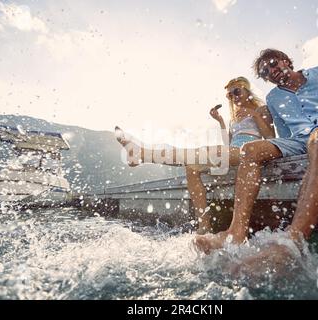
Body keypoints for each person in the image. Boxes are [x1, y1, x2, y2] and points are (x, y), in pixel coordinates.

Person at [194, 49, 318, 254]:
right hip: (300, 142)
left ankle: (293, 240)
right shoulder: (274, 98)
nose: (271, 71)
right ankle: (235, 234)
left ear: (287, 61)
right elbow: (283, 137)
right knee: (249, 150)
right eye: (265, 72)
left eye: (273, 64)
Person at [115, 77, 275, 234]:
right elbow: (228, 143)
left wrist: (254, 115)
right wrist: (220, 121)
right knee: (191, 166)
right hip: (233, 152)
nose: (233, 97)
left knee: (204, 151)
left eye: (236, 92)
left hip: (250, 151)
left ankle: (143, 154)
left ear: (247, 91)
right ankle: (204, 225)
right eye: (229, 95)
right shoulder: (234, 118)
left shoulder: (261, 110)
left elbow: (271, 138)